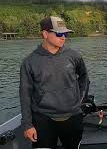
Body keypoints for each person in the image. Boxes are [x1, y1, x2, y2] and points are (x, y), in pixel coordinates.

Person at [19, 16, 89, 149]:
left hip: (73, 117)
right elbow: (25, 94)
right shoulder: (29, 62)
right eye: (59, 33)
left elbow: (84, 77)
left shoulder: (74, 56)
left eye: (66, 34)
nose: (63, 37)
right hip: (43, 119)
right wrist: (28, 124)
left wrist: (80, 99)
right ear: (45, 34)